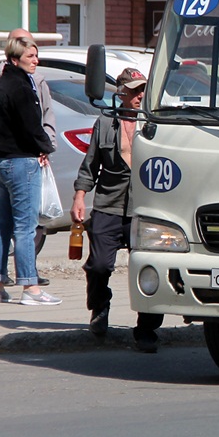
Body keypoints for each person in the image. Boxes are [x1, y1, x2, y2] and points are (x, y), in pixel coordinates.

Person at [71, 67, 165, 352]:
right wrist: (79, 197)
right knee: (99, 265)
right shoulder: (105, 123)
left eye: (143, 90)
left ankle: (147, 329)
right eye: (135, 90)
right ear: (121, 94)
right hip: (109, 203)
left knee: (152, 268)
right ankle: (99, 308)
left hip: (146, 207)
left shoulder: (155, 123)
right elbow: (90, 165)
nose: (140, 96)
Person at [0, 28, 57, 287]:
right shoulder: (13, 84)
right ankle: (29, 285)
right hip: (18, 162)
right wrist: (44, 147)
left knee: (6, 226)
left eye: (36, 54)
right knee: (22, 227)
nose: (35, 60)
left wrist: (46, 146)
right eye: (30, 55)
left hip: (3, 161)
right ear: (14, 57)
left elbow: (47, 118)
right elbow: (31, 125)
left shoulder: (30, 81)